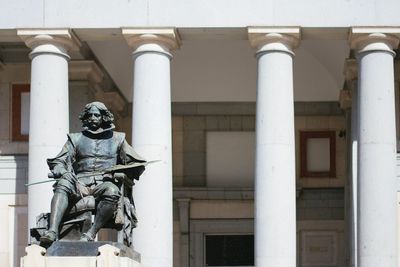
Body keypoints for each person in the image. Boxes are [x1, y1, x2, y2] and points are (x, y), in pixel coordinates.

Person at [40, 101, 146, 245]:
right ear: (86, 117)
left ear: (104, 117)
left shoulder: (118, 139)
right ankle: (52, 231)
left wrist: (119, 171)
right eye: (90, 115)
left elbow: (137, 164)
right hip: (79, 183)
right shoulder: (75, 139)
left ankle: (91, 233)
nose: (93, 118)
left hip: (103, 183)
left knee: (112, 191)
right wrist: (62, 171)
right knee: (63, 184)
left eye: (97, 115)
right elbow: (58, 161)